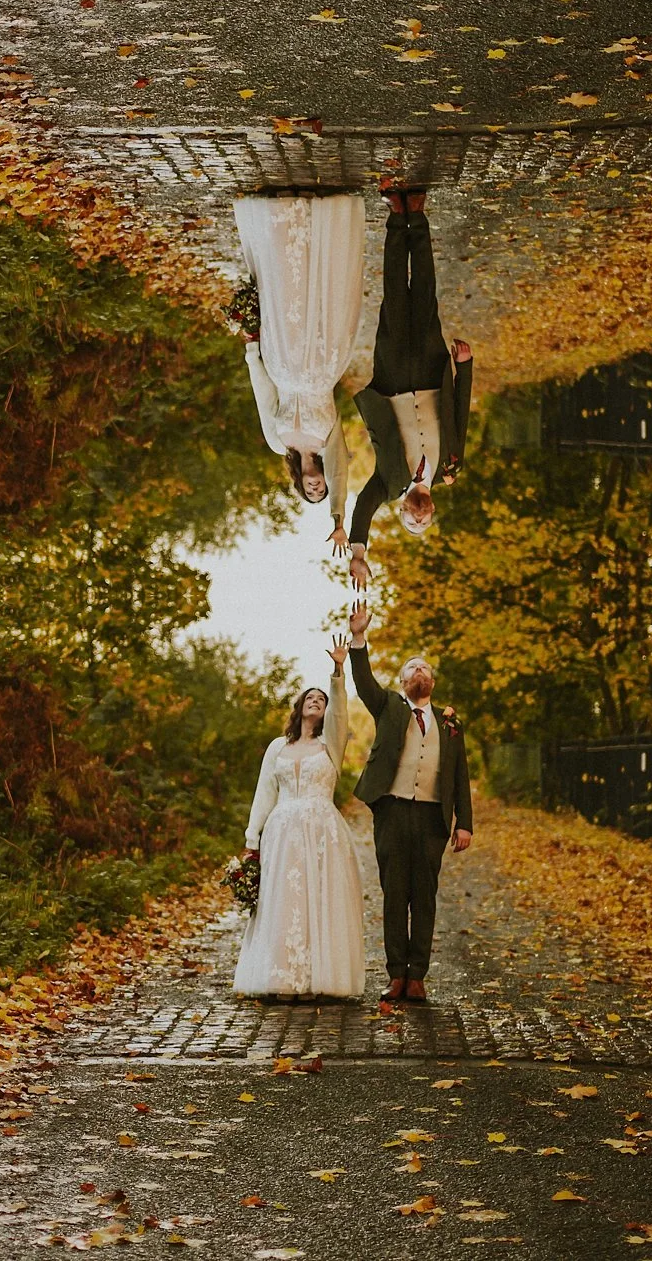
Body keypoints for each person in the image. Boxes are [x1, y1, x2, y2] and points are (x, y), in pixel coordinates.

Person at [345, 186, 474, 592]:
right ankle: (416, 215)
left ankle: (394, 219)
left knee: (395, 298)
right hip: (433, 370)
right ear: (432, 510)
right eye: (424, 522)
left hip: (395, 375)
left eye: (410, 522)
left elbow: (363, 506)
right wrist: (464, 368)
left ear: (401, 510)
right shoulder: (450, 468)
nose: (418, 519)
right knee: (425, 294)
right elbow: (461, 414)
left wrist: (359, 552)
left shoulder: (387, 482)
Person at [343, 602, 472, 1004]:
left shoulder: (450, 724)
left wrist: (464, 823)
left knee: (425, 896)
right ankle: (396, 975)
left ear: (433, 682)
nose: (422, 672)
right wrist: (359, 638)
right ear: (402, 681)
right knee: (395, 894)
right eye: (414, 668)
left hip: (433, 817)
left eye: (426, 669)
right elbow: (363, 682)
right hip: (394, 811)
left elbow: (460, 776)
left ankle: (418, 977)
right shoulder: (389, 707)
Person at [233, 635, 368, 1001]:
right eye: (311, 697)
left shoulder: (330, 746)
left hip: (321, 830)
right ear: (299, 706)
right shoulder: (278, 747)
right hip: (281, 832)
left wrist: (338, 673)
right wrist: (252, 837)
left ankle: (315, 980)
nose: (316, 701)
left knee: (317, 898)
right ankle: (281, 978)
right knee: (284, 901)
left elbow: (340, 710)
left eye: (321, 700)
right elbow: (264, 792)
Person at [234, 191, 368, 547]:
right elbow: (343, 473)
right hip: (319, 364)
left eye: (310, 491)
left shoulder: (279, 444)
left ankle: (282, 219)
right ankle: (320, 222)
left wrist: (251, 350)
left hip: (280, 361)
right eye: (320, 490)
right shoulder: (329, 446)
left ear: (299, 485)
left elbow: (264, 398)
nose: (316, 487)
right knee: (318, 295)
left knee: (285, 293)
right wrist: (337, 517)